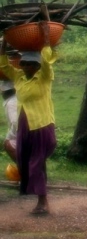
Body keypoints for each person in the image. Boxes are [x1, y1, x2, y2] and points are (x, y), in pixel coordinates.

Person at [0, 25, 57, 215]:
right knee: (25, 162)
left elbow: (48, 61)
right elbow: (4, 66)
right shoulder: (19, 79)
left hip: (41, 126)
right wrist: (5, 42)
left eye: (28, 64)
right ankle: (35, 193)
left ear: (36, 66)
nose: (23, 66)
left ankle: (43, 202)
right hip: (25, 127)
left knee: (36, 163)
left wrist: (47, 37)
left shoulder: (44, 78)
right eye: (22, 64)